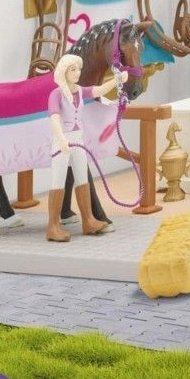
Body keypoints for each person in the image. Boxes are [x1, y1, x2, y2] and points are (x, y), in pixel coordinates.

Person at [46, 54, 125, 243]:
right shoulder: (56, 94)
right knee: (58, 181)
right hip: (63, 142)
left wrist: (117, 80)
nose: (77, 73)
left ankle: (88, 220)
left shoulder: (80, 91)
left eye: (78, 69)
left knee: (82, 179)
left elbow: (100, 90)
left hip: (78, 140)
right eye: (73, 69)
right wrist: (61, 140)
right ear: (64, 72)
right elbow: (54, 118)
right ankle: (53, 226)